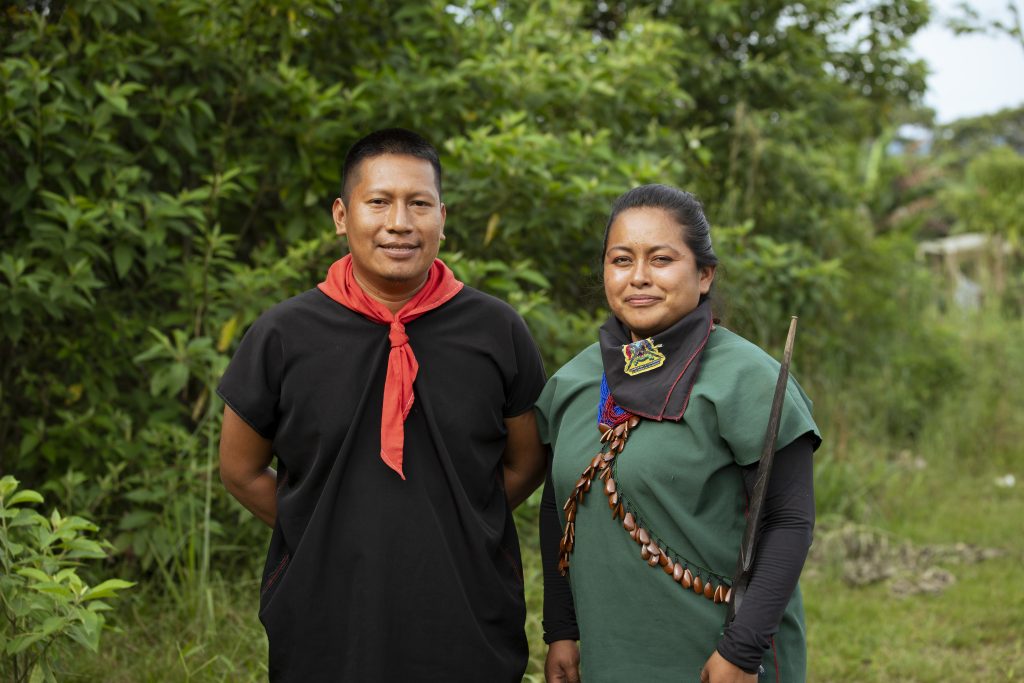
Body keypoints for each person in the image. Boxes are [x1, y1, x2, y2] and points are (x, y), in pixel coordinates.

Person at [217, 128, 548, 682]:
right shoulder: (283, 334)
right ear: (342, 215)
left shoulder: (495, 330)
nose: (400, 222)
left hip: (465, 609)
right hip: (326, 611)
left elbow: (527, 461)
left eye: (419, 204)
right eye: (379, 202)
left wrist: (458, 520)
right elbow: (240, 469)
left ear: (443, 216)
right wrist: (326, 526)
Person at [536, 185, 821, 682]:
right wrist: (561, 629)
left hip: (718, 655)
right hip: (612, 653)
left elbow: (789, 520)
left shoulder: (747, 380)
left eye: (661, 259)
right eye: (621, 260)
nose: (639, 277)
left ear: (704, 274)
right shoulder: (574, 381)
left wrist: (742, 650)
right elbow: (556, 509)